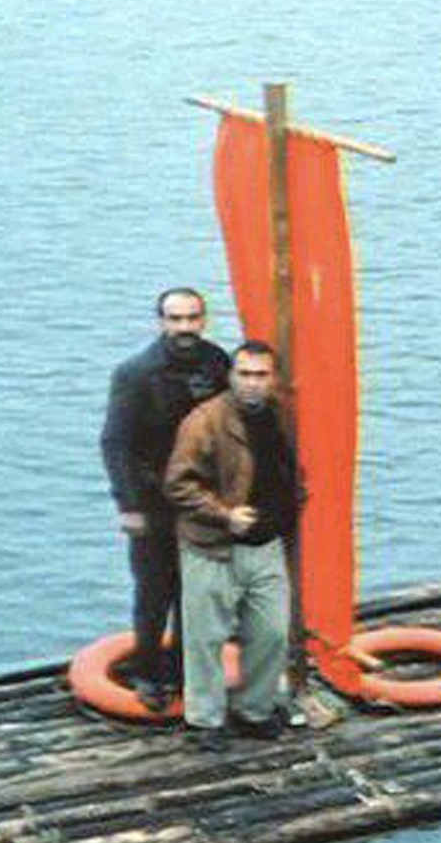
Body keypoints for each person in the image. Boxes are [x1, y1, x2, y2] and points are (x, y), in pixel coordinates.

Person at [163, 339, 303, 751]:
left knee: (272, 632)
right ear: (231, 376)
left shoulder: (280, 416)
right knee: (206, 638)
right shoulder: (204, 421)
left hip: (266, 545)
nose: (252, 383)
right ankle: (205, 720)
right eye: (244, 374)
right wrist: (225, 514)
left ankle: (254, 709)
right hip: (213, 548)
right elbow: (178, 484)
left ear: (272, 379)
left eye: (260, 375)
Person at [101, 288, 232, 710]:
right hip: (152, 498)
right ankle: (146, 672)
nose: (184, 327)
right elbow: (115, 444)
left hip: (201, 497)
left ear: (204, 320)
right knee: (154, 590)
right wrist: (128, 506)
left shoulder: (217, 363)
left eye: (192, 318)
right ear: (161, 322)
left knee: (197, 591)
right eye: (176, 319)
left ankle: (183, 670)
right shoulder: (135, 374)